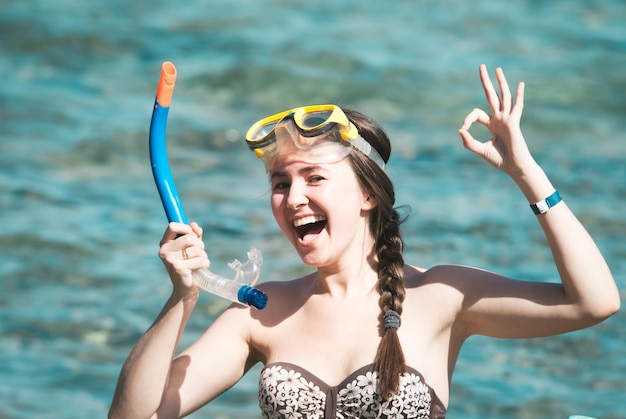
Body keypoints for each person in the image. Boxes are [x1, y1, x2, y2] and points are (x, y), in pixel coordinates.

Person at [109, 65, 620, 418]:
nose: (292, 198)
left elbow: (593, 302)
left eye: (313, 178)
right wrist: (183, 296)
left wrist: (527, 174)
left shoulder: (440, 297)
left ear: (367, 196)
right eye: (280, 184)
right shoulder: (260, 314)